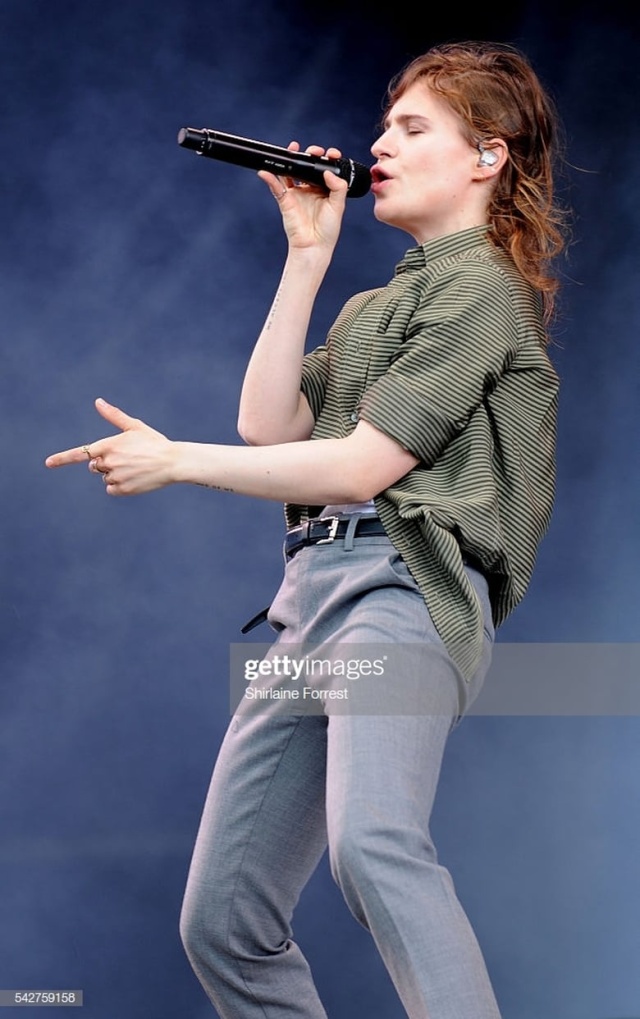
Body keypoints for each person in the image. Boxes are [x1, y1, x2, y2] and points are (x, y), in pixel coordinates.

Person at [46, 41, 566, 1019]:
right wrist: (306, 258)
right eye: (383, 128)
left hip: (400, 597)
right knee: (221, 916)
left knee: (371, 843)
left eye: (411, 129)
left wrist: (178, 461)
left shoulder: (483, 292)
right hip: (306, 612)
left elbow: (363, 466)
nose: (380, 146)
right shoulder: (379, 303)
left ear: (487, 157)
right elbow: (269, 422)